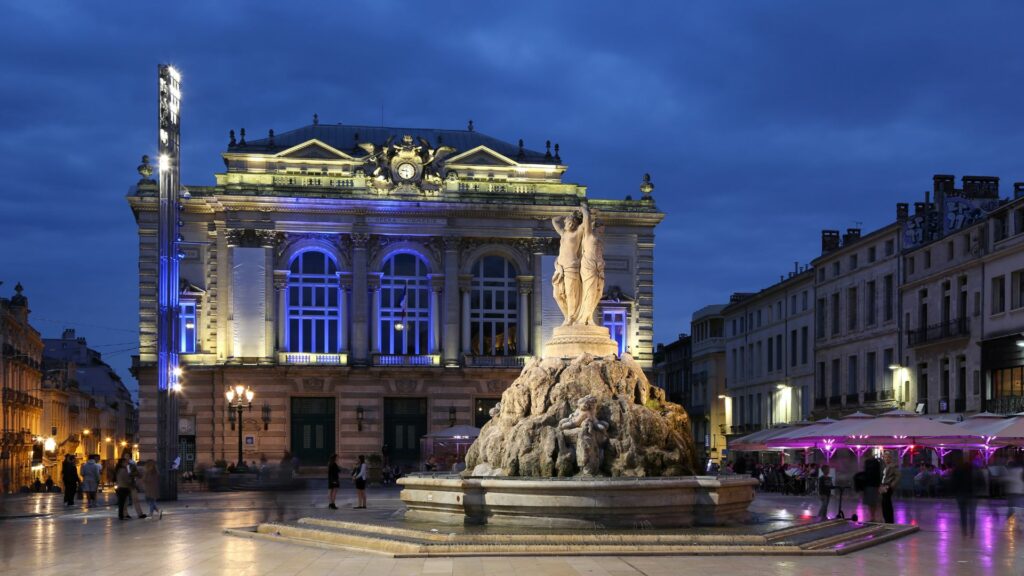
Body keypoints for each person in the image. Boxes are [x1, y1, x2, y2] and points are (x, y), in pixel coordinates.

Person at [952, 460, 982, 537]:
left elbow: (953, 482)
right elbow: (980, 481)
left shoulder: (958, 470)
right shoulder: (975, 470)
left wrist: (954, 492)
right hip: (972, 495)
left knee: (963, 514)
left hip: (961, 494)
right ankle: (972, 532)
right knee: (972, 514)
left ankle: (964, 531)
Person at [880, 451, 900, 524]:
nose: (886, 459)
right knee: (884, 503)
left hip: (888, 486)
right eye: (885, 457)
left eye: (887, 457)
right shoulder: (885, 466)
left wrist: (892, 484)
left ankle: (889, 520)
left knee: (886, 502)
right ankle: (887, 519)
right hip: (884, 485)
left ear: (890, 458)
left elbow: (898, 476)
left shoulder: (893, 466)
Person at [861, 455, 882, 522]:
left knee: (872, 502)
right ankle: (873, 516)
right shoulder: (874, 463)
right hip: (873, 485)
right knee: (873, 502)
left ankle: (873, 516)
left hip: (871, 485)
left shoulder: (869, 463)